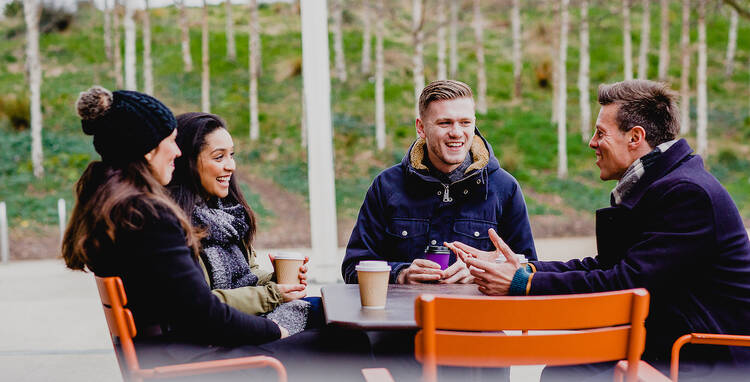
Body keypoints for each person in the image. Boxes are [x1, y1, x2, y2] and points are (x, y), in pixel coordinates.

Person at [448, 80, 750, 380]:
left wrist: (522, 285)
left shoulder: (686, 194)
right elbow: (608, 267)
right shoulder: (661, 184)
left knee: (565, 375)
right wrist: (522, 268)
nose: (592, 142)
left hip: (705, 355)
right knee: (562, 372)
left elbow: (627, 282)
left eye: (601, 133)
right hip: (671, 340)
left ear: (635, 137)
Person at [61, 87, 369, 380]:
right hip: (194, 365)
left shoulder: (115, 209)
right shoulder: (149, 218)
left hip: (173, 357)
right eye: (170, 140)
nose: (176, 151)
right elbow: (204, 315)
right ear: (147, 150)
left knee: (329, 327)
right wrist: (275, 331)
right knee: (347, 342)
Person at [342, 79, 537, 285]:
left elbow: (529, 270)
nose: (456, 132)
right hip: (404, 316)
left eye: (465, 122)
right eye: (445, 123)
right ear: (421, 128)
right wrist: (401, 274)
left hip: (476, 316)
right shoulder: (386, 186)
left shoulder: (505, 188)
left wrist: (480, 274)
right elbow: (353, 268)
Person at [167, 112, 323, 334]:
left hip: (245, 321)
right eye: (219, 157)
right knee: (339, 333)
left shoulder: (228, 216)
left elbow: (248, 275)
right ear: (187, 162)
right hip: (224, 333)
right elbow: (204, 303)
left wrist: (276, 281)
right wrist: (273, 294)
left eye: (231, 155)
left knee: (332, 314)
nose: (230, 166)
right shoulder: (177, 227)